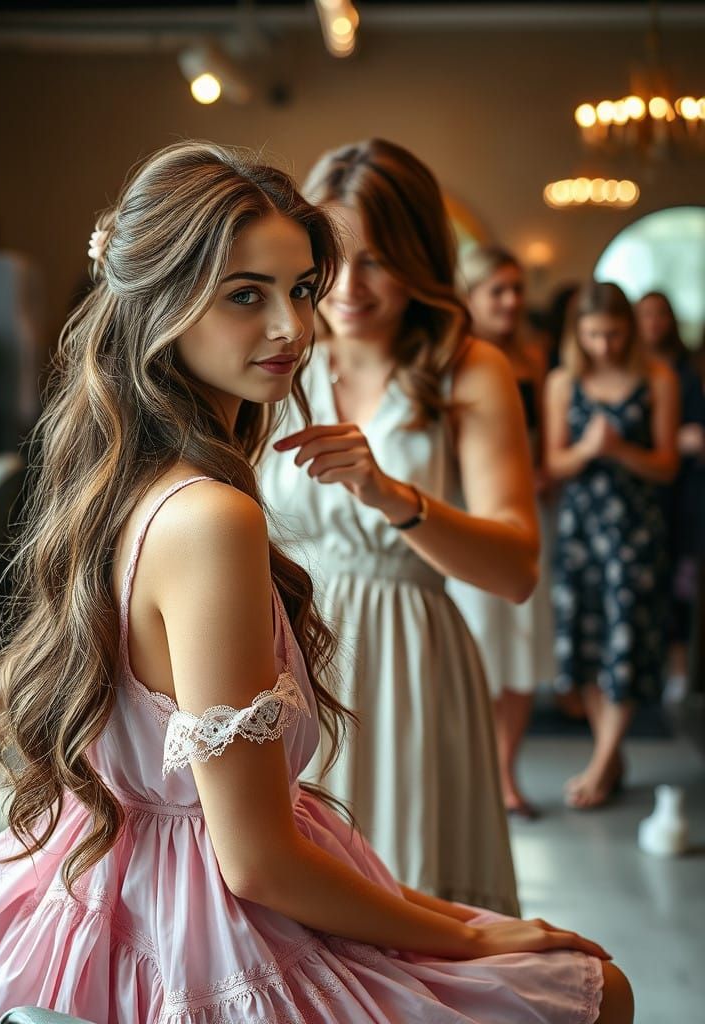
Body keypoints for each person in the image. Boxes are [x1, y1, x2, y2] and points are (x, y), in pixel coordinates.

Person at [0, 142, 631, 1024]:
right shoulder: (211, 517)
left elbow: (513, 563)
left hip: (143, 867)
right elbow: (255, 861)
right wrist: (468, 938)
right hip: (208, 910)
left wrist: (449, 921)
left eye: (299, 290)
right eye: (247, 294)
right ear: (161, 303)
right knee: (594, 993)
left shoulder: (124, 479)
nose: (294, 328)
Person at [259, 140, 534, 915]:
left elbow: (517, 570)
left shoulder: (467, 369)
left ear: (419, 258)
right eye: (333, 258)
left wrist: (390, 495)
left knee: (413, 912)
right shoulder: (281, 356)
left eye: (378, 260)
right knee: (301, 909)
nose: (348, 287)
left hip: (412, 658)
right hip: (287, 652)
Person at [545, 282, 679, 809]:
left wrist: (620, 449)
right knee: (589, 643)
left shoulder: (657, 379)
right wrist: (585, 450)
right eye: (594, 335)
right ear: (578, 332)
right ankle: (611, 752)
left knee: (625, 642)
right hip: (581, 529)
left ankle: (600, 765)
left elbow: (667, 466)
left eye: (615, 334)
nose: (604, 346)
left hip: (636, 531)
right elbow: (553, 464)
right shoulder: (563, 382)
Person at [447, 245, 556, 819]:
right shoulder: (450, 363)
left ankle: (508, 771)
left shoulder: (531, 358)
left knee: (522, 649)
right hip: (467, 522)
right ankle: (481, 772)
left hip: (529, 516)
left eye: (517, 290)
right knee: (481, 647)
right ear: (469, 295)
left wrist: (543, 473)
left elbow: (543, 439)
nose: (513, 301)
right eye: (499, 291)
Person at [634, 291, 705, 690]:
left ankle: (677, 663)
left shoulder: (685, 371)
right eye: (646, 315)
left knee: (681, 570)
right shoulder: (631, 370)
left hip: (683, 491)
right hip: (643, 490)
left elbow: (696, 434)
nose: (655, 323)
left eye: (662, 314)